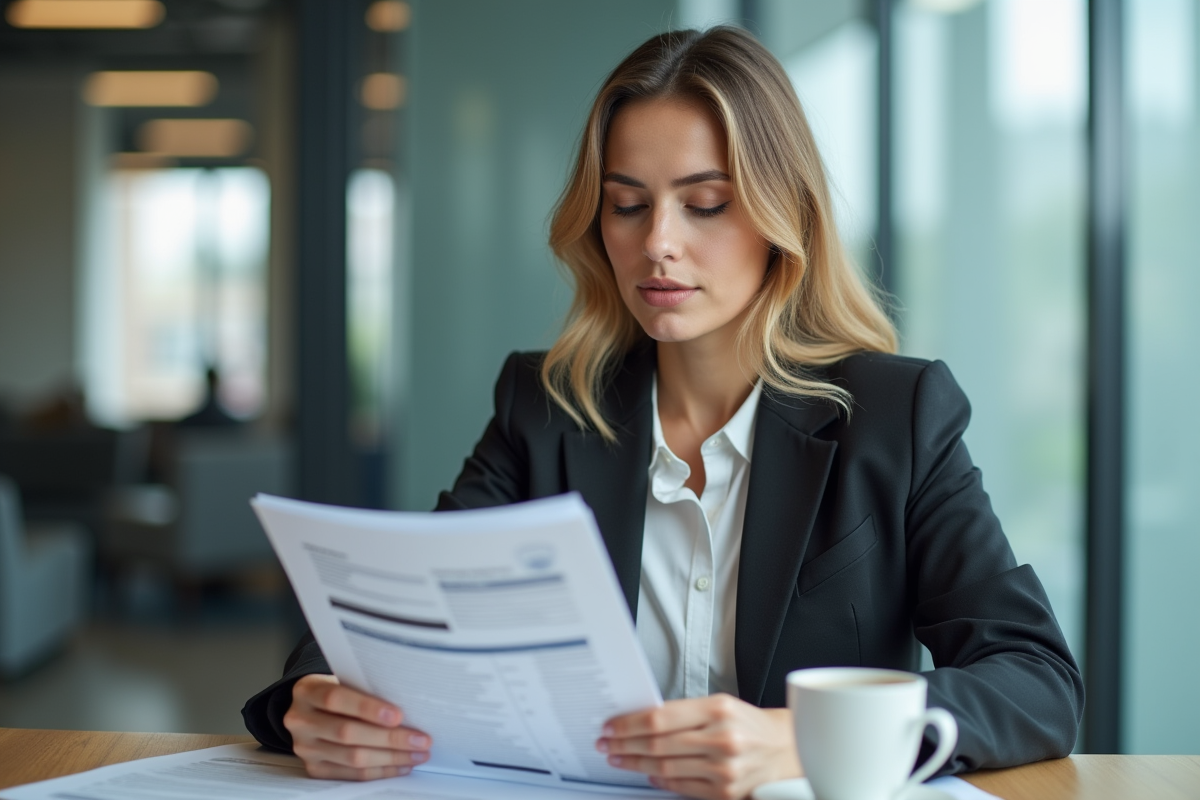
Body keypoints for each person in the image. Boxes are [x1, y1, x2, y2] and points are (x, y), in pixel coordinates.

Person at [243, 26, 1082, 800]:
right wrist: (313, 701)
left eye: (706, 202)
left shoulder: (895, 414)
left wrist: (797, 741)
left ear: (780, 214)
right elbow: (399, 614)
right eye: (628, 202)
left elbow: (1036, 678)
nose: (657, 244)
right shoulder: (544, 408)